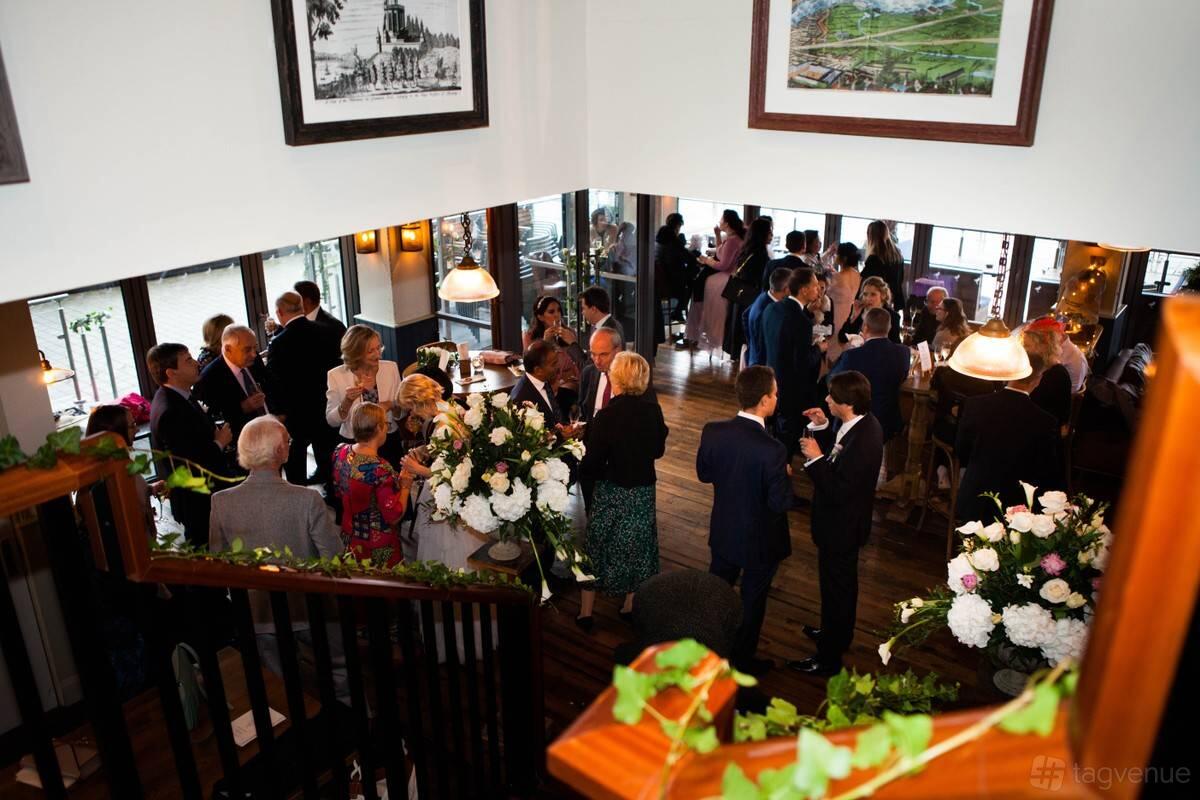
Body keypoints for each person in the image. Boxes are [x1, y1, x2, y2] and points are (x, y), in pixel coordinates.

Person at [209, 416, 348, 700]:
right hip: (310, 605)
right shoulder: (306, 499)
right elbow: (334, 558)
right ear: (279, 451)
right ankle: (356, 724)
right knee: (338, 671)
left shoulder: (221, 502)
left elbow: (219, 564)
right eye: (287, 441)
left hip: (258, 612)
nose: (290, 446)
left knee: (280, 687)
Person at [696, 366, 792, 675]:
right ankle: (742, 662)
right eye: (775, 394)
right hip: (760, 541)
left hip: (724, 530)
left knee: (716, 593)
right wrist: (785, 477)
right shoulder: (774, 450)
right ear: (764, 400)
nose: (777, 398)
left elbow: (704, 474)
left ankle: (709, 651)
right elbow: (780, 503)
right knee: (752, 602)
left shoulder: (713, 431)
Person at [790, 371, 884, 676]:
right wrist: (822, 427)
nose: (826, 399)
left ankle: (828, 658)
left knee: (837, 589)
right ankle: (834, 632)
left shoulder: (866, 439)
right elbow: (839, 453)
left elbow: (839, 487)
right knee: (836, 587)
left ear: (847, 403)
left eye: (831, 396)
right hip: (840, 525)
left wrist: (815, 459)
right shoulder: (858, 424)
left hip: (842, 527)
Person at [576, 353, 669, 631]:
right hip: (641, 491)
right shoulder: (653, 412)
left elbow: (591, 464)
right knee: (639, 548)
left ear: (616, 379)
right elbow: (658, 451)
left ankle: (586, 613)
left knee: (596, 546)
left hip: (613, 490)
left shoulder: (606, 417)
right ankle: (629, 605)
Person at [955, 353, 1062, 523]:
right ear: (1038, 380)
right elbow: (1047, 471)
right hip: (1017, 509)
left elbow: (961, 450)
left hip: (973, 498)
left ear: (1010, 373)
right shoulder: (1045, 422)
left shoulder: (975, 404)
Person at [147, 343, 233, 547]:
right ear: (171, 372)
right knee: (205, 551)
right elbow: (186, 463)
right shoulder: (170, 410)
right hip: (196, 500)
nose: (196, 363)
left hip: (206, 492)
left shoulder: (181, 396)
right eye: (187, 360)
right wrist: (219, 443)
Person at [265, 291, 340, 486]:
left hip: (296, 412)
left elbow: (274, 382)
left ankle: (297, 493)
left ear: (279, 312)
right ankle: (332, 493)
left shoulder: (278, 343)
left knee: (295, 457)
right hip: (325, 403)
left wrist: (278, 412)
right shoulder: (326, 331)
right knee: (327, 454)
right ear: (301, 307)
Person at [331, 403, 419, 567]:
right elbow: (394, 516)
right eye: (386, 424)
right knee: (384, 587)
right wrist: (405, 486)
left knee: (356, 584)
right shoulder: (381, 470)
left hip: (349, 537)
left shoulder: (340, 451)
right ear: (379, 428)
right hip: (377, 547)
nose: (387, 428)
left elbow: (337, 491)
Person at [761, 268, 826, 457]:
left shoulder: (772, 308)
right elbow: (803, 362)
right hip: (791, 386)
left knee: (773, 429)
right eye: (815, 286)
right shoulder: (800, 321)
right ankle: (783, 466)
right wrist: (819, 349)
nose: (818, 291)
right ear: (804, 290)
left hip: (771, 376)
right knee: (787, 433)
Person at [829, 308, 911, 443]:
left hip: (856, 420)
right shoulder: (903, 353)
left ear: (865, 327)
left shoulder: (852, 355)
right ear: (889, 328)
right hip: (888, 419)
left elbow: (833, 382)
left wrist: (852, 349)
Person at [326, 324, 404, 464]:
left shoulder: (390, 368)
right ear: (356, 353)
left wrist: (390, 404)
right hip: (354, 444)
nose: (378, 354)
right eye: (370, 351)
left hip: (388, 439)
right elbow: (332, 421)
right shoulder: (336, 376)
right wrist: (347, 401)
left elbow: (401, 410)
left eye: (378, 347)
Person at [86, 405, 160, 541]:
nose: (137, 429)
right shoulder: (108, 474)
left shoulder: (121, 460)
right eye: (132, 426)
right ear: (116, 433)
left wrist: (151, 489)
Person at [193, 324, 268, 446]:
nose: (254, 354)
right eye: (247, 349)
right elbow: (212, 418)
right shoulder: (209, 378)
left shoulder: (254, 359)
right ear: (228, 349)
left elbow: (269, 384)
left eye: (255, 348)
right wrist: (242, 408)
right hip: (243, 444)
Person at [687, 209, 746, 354]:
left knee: (702, 285)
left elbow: (723, 265)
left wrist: (706, 260)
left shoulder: (733, 240)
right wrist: (717, 235)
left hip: (725, 276)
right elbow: (721, 251)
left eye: (721, 219)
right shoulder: (732, 238)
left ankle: (705, 328)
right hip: (727, 274)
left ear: (726, 222)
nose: (719, 221)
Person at [724, 216, 774, 361]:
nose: (771, 235)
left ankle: (739, 358)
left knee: (738, 330)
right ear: (762, 234)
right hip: (751, 297)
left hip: (740, 296)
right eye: (769, 232)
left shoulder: (748, 250)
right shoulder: (761, 256)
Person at [523, 295, 581, 416]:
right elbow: (532, 367)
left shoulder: (569, 333)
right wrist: (545, 343)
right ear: (540, 316)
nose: (557, 315)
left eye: (559, 310)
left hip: (569, 383)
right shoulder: (530, 337)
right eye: (551, 312)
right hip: (545, 383)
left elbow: (575, 364)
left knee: (565, 395)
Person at [1022, 322, 1073, 428]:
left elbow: (1061, 416)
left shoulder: (1058, 375)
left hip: (1044, 430)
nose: (1023, 349)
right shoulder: (1035, 366)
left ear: (1044, 346)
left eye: (1027, 346)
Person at [655, 213, 699, 324]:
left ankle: (678, 311)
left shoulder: (660, 237)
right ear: (678, 225)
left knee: (689, 279)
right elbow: (688, 258)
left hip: (661, 282)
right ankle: (679, 312)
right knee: (693, 282)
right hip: (671, 284)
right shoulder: (672, 239)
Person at [744, 267, 791, 367]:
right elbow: (764, 346)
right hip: (762, 365)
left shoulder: (763, 296)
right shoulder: (768, 311)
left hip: (754, 356)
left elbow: (745, 315)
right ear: (786, 289)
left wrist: (751, 344)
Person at [511, 340, 564, 427]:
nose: (558, 367)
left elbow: (555, 416)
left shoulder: (543, 380)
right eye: (553, 364)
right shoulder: (521, 399)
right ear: (538, 370)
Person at [825, 243, 863, 363]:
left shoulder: (837, 278)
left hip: (836, 316)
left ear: (844, 258)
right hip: (849, 317)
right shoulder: (858, 276)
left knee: (830, 353)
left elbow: (826, 296)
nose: (835, 256)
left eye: (837, 254)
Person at [862, 220, 907, 320]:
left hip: (880, 301)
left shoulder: (874, 258)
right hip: (895, 299)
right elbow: (901, 278)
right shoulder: (897, 255)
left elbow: (868, 282)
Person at [838, 276, 901, 345]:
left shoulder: (893, 317)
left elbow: (895, 345)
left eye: (873, 294)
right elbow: (842, 338)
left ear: (883, 295)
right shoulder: (859, 311)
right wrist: (853, 317)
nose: (868, 298)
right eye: (865, 294)